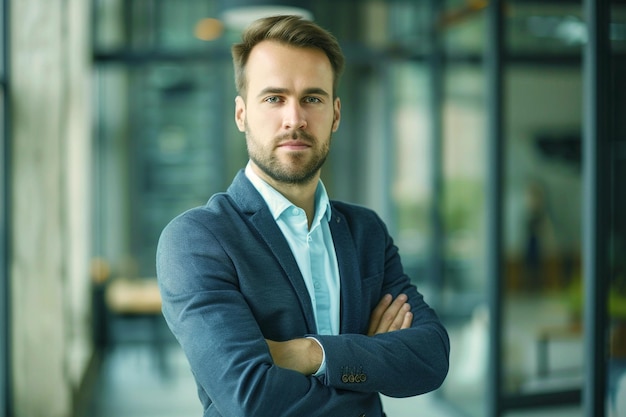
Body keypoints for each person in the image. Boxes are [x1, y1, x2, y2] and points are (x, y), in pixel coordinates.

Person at [157, 14, 449, 417]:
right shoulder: (197, 239)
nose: (294, 118)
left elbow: (430, 358)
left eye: (312, 98)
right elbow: (251, 399)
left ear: (336, 114)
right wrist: (366, 364)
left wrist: (310, 353)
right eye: (274, 98)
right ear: (241, 114)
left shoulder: (366, 232)